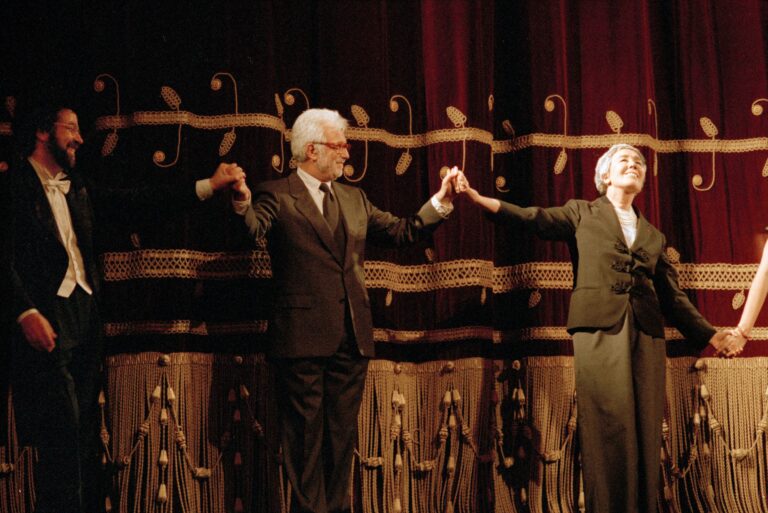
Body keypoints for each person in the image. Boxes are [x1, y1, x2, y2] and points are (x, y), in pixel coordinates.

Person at [456, 143, 732, 513]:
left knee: (645, 426)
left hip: (647, 333)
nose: (633, 165)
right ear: (605, 175)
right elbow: (532, 217)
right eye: (624, 160)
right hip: (600, 328)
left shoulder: (653, 235)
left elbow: (673, 297)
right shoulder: (582, 213)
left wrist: (713, 335)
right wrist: (477, 199)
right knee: (609, 424)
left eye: (639, 162)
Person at [6, 101, 244, 513]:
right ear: (44, 132)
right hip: (45, 318)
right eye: (71, 128)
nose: (80, 137)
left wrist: (208, 185)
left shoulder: (78, 186)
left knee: (82, 435)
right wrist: (25, 311)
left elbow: (140, 202)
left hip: (84, 316)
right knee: (60, 433)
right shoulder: (12, 188)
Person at [230, 108, 461, 513]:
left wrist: (440, 202)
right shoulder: (277, 193)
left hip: (351, 339)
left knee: (340, 441)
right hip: (302, 339)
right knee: (304, 443)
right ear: (312, 149)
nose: (347, 153)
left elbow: (402, 230)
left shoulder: (354, 198)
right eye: (340, 145)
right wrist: (242, 201)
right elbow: (252, 230)